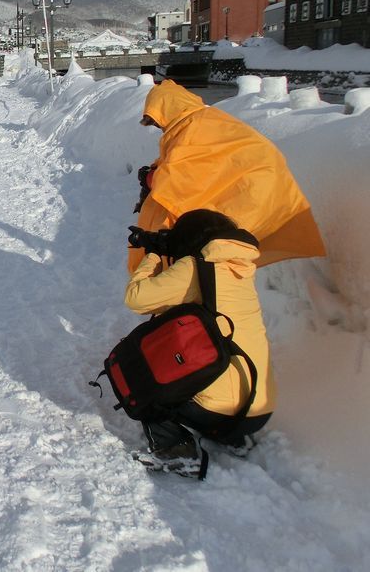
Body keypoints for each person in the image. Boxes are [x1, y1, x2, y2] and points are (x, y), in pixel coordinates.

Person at [124, 210, 275, 477]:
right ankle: (231, 437)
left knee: (141, 377)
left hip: (217, 412)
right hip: (258, 410)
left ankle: (177, 452)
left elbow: (136, 299)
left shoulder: (194, 267)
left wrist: (153, 255)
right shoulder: (240, 269)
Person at [129, 80, 325, 273]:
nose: (161, 128)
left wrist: (151, 178)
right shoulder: (206, 118)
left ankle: (188, 279)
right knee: (216, 243)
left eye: (158, 122)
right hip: (259, 180)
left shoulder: (192, 128)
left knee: (212, 241)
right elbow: (191, 163)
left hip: (251, 187)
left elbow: (179, 179)